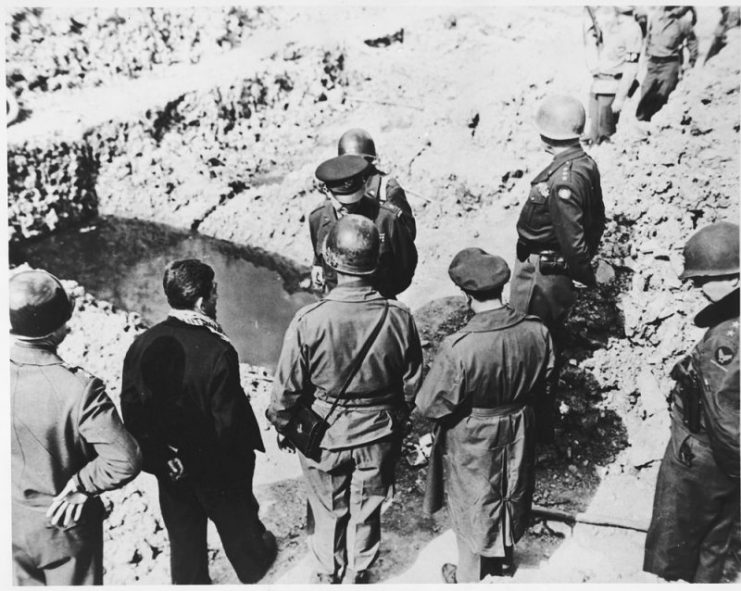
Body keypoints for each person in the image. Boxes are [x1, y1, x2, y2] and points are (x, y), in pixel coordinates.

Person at [268, 214, 423, 584]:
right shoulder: (399, 316)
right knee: (368, 505)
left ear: (330, 260)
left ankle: (327, 572)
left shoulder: (310, 319)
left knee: (327, 509)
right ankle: (360, 570)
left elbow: (284, 393)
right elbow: (413, 384)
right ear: (375, 261)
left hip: (324, 434)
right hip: (378, 431)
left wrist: (285, 425)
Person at [120, 259, 276, 584]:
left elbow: (132, 414)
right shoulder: (218, 350)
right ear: (203, 301)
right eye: (215, 291)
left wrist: (163, 458)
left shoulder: (141, 344)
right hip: (214, 463)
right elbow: (227, 424)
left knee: (184, 533)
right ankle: (253, 565)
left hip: (170, 463)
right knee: (236, 520)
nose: (217, 297)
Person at [416, 248, 554, 583]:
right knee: (512, 490)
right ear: (502, 287)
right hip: (519, 423)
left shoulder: (459, 346)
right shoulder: (537, 330)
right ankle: (504, 562)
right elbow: (546, 383)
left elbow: (429, 404)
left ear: (466, 294)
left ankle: (468, 578)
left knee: (473, 504)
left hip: (473, 434)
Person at [10, 269, 142, 585]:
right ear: (60, 330)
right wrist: (82, 485)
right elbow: (126, 459)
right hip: (62, 527)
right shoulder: (79, 389)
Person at [644, 221, 740, 583]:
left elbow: (725, 418)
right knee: (713, 549)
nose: (697, 287)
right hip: (723, 458)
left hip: (703, 456)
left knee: (669, 549)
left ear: (735, 278)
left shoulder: (727, 339)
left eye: (704, 279)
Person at [510, 94, 605, 442]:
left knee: (529, 346)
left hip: (540, 276)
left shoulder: (562, 179)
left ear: (545, 136)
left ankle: (533, 427)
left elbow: (573, 238)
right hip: (550, 271)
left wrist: (586, 275)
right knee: (544, 341)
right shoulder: (583, 164)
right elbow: (597, 220)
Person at [310, 154, 417, 299]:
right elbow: (319, 251)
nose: (349, 207)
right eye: (342, 202)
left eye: (354, 199)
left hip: (377, 300)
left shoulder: (386, 219)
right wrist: (317, 265)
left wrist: (384, 294)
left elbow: (405, 265)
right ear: (327, 191)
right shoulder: (318, 218)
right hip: (337, 299)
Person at [337, 128, 417, 240]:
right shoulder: (339, 190)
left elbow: (408, 236)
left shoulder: (388, 189)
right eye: (346, 162)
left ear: (370, 161)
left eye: (356, 161)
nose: (351, 167)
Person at [583, 6, 642, 144]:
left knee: (606, 135)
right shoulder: (610, 23)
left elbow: (631, 68)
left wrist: (620, 98)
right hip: (598, 84)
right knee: (593, 134)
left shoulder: (632, 30)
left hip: (611, 88)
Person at [635, 6, 698, 122]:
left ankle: (657, 123)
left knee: (663, 94)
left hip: (669, 63)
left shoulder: (683, 22)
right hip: (653, 63)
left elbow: (692, 42)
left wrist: (691, 63)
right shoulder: (655, 17)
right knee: (645, 91)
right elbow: (649, 38)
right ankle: (641, 122)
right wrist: (647, 56)